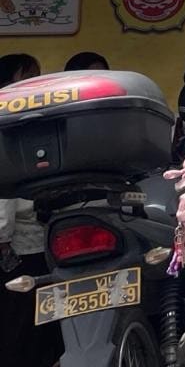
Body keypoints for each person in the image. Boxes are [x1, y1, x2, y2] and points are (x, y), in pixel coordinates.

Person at [0, 53, 63, 367]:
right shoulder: (9, 121)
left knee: (32, 321)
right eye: (29, 76)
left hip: (33, 240)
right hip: (18, 245)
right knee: (25, 323)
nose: (36, 82)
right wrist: (2, 238)